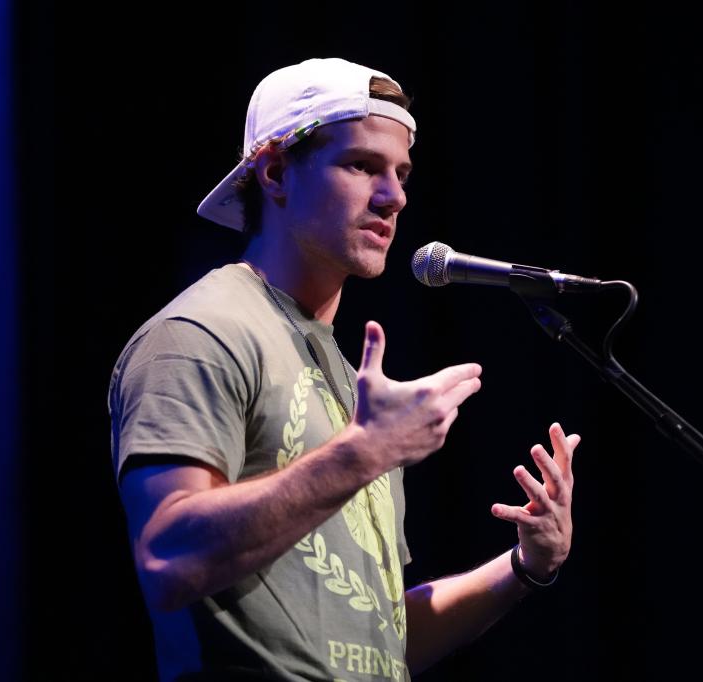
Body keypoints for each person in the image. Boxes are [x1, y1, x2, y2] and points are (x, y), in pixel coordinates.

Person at [108, 57, 580, 681]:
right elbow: (169, 560)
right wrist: (365, 452)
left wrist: (525, 566)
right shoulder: (200, 334)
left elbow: (378, 640)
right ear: (275, 172)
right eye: (362, 166)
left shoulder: (344, 371)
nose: (395, 196)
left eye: (402, 174)